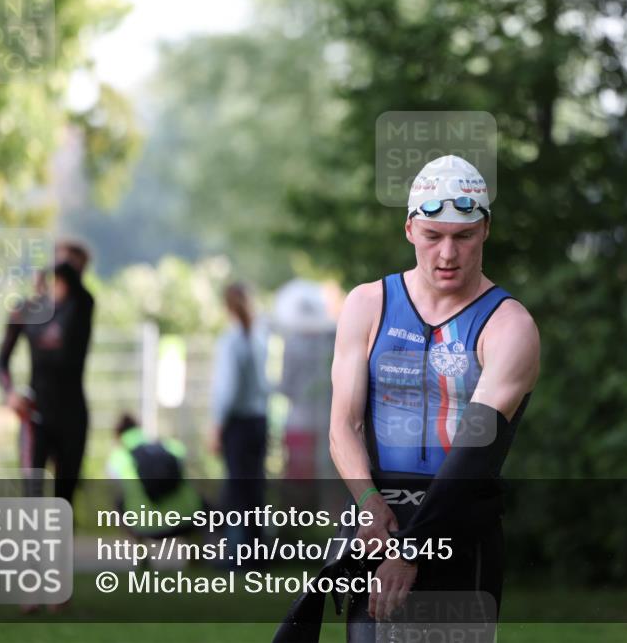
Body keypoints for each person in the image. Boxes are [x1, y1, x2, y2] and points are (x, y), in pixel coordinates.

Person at [274, 155, 540, 642]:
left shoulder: (508, 325)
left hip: (459, 526)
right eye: (433, 236)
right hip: (380, 521)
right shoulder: (367, 304)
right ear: (409, 229)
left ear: (485, 231)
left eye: (462, 237)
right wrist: (370, 504)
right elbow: (343, 428)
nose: (447, 254)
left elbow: (475, 455)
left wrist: (413, 550)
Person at [0, 258, 94, 505]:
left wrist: (58, 261)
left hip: (72, 417)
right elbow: (1, 362)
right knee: (33, 498)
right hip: (36, 417)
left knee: (65, 501)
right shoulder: (26, 312)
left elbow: (70, 274)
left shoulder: (80, 307)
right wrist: (10, 393)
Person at [210, 282, 270, 548]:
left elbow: (227, 389)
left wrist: (216, 425)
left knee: (237, 489)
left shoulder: (231, 339)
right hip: (259, 420)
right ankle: (256, 551)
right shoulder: (258, 336)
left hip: (238, 424)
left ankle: (236, 553)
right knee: (255, 489)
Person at [106, 413, 203, 541]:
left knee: (120, 501)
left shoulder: (118, 457)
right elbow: (184, 457)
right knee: (191, 492)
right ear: (139, 428)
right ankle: (195, 552)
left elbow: (115, 481)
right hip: (186, 521)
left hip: (146, 526)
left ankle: (141, 554)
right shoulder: (167, 445)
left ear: (117, 435)